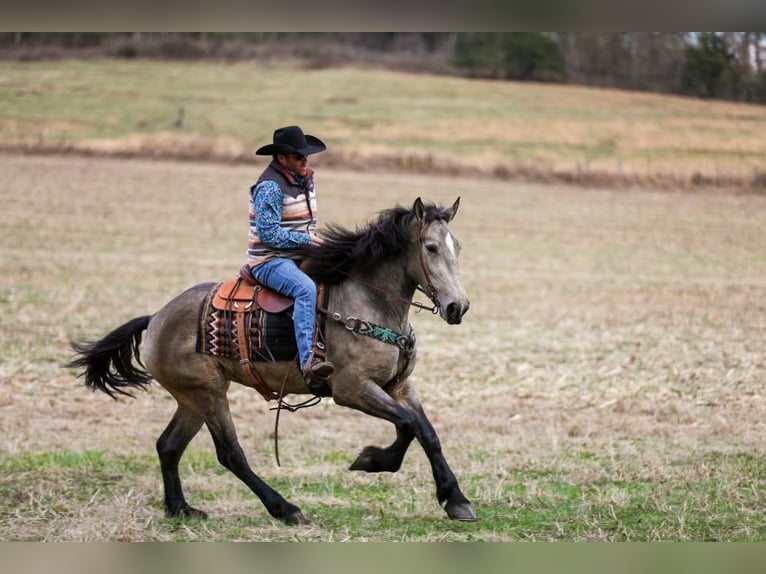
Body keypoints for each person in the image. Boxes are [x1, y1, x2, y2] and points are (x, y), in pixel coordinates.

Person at [247, 125, 335, 392]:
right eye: (298, 156)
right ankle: (309, 361)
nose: (304, 159)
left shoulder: (304, 178)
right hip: (269, 260)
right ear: (281, 158)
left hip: (299, 254)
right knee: (305, 289)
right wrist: (307, 241)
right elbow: (270, 234)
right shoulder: (270, 187)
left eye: (305, 155)